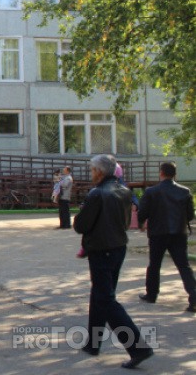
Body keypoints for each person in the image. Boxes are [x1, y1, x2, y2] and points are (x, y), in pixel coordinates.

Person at [73, 154, 154, 369]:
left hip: (102, 249)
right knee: (100, 295)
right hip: (117, 247)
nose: (91, 173)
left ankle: (138, 348)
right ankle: (93, 343)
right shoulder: (124, 190)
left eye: (92, 170)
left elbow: (81, 225)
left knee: (106, 299)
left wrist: (81, 215)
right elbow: (124, 221)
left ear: (99, 172)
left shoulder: (97, 193)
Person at [137, 161, 196, 313]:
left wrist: (141, 224)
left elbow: (142, 211)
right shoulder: (185, 191)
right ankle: (194, 297)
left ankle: (151, 295)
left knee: (154, 265)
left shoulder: (151, 191)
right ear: (175, 174)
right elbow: (190, 215)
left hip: (158, 233)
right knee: (183, 265)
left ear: (161, 173)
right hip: (179, 233)